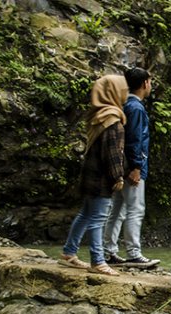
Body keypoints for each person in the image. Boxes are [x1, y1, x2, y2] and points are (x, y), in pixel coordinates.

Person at [59, 74, 127, 276]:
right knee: (98, 218)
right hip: (101, 178)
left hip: (89, 174)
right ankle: (98, 261)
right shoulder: (112, 120)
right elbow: (113, 153)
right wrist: (118, 176)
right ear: (114, 92)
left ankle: (69, 252)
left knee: (85, 214)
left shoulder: (97, 115)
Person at [103, 67, 160, 268]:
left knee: (117, 209)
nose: (150, 85)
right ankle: (134, 253)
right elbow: (134, 140)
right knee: (135, 209)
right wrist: (136, 167)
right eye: (150, 81)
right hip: (132, 168)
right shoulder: (136, 108)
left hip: (121, 166)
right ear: (145, 83)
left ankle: (108, 251)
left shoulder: (124, 104)